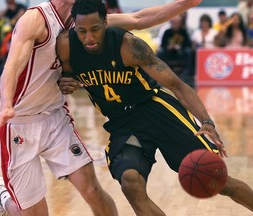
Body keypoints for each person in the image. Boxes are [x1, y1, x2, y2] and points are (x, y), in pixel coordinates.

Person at [0, 0, 205, 215]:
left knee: (94, 192)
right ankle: (2, 196)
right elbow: (12, 64)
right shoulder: (35, 19)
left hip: (55, 117)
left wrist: (187, 3)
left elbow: (141, 19)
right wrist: (6, 104)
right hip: (19, 121)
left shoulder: (85, 20)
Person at [56, 0, 253, 215]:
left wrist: (206, 121)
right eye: (82, 31)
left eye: (94, 30)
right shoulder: (66, 45)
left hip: (154, 109)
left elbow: (176, 85)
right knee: (131, 184)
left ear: (105, 23)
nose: (89, 38)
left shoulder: (129, 46)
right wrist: (65, 81)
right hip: (123, 123)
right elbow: (66, 74)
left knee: (217, 180)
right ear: (74, 26)